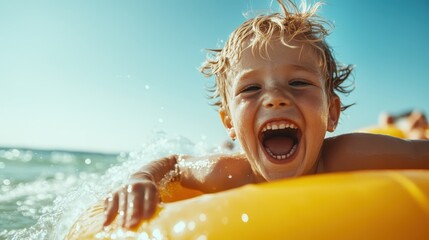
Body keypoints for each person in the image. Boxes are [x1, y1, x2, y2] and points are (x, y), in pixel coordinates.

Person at [103, 0, 429, 229]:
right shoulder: (230, 173)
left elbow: (421, 153)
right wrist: (141, 178)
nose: (275, 98)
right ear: (229, 120)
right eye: (250, 89)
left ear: (331, 113)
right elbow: (175, 164)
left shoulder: (345, 156)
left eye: (298, 82)